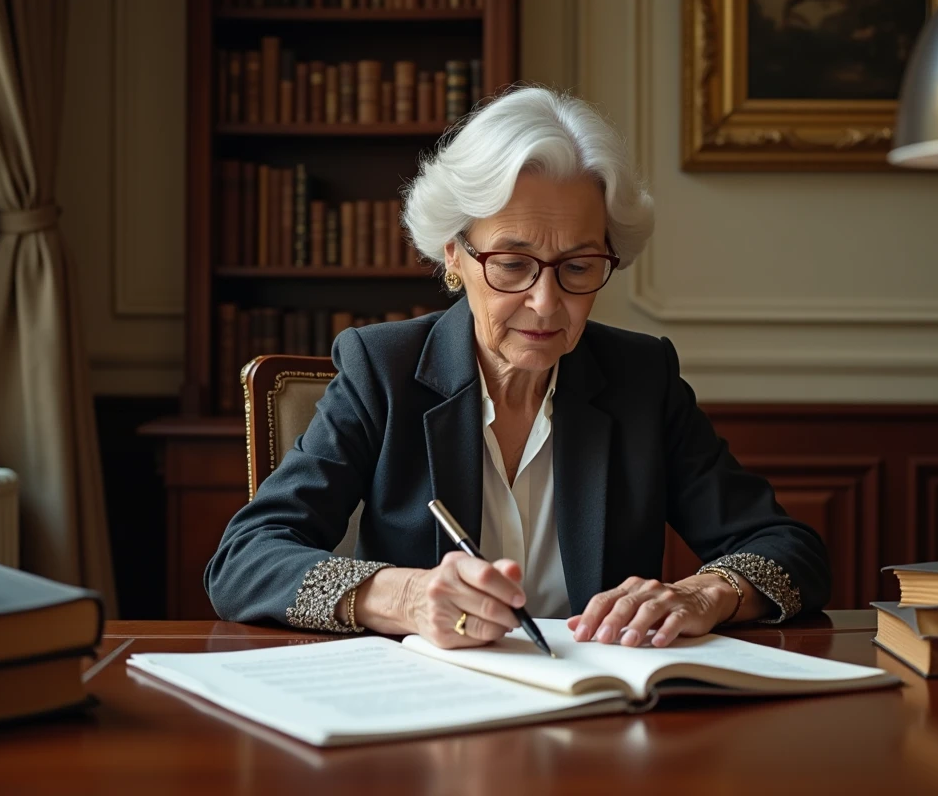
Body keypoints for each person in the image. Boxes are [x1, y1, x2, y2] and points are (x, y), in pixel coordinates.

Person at [204, 86, 830, 649]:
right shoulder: (383, 370)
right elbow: (245, 560)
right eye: (511, 263)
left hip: (599, 707)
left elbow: (789, 549)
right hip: (422, 711)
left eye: (579, 267)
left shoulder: (642, 377)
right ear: (455, 255)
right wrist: (406, 596)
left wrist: (703, 593)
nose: (546, 302)